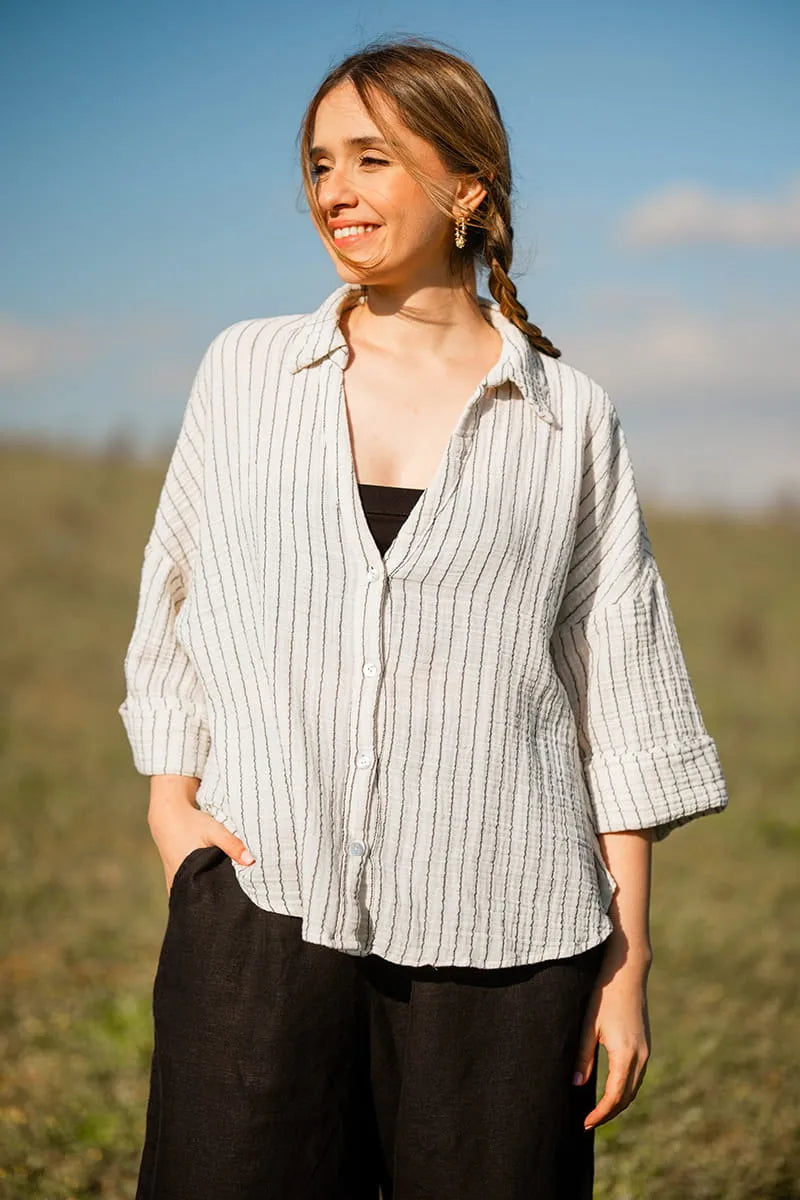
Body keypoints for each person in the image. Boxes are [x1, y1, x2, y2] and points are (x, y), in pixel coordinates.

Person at [118, 36, 728, 1200]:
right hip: (258, 905)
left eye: (369, 159)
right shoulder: (245, 374)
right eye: (315, 166)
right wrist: (171, 820)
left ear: (467, 186)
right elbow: (172, 612)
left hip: (510, 939)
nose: (333, 193)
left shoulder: (569, 421)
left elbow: (623, 691)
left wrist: (626, 960)